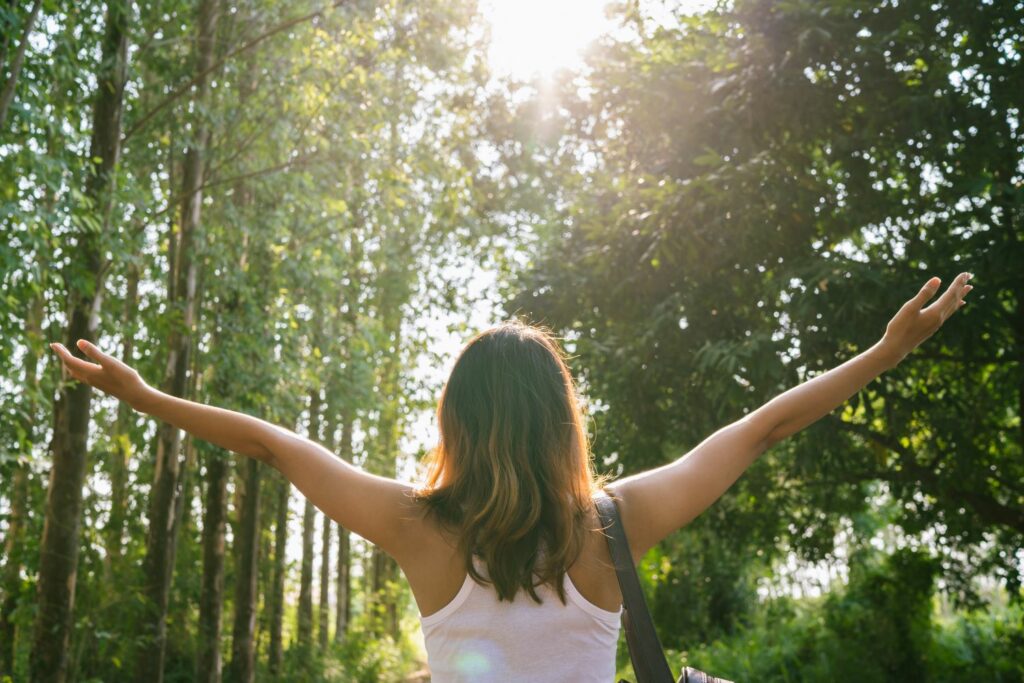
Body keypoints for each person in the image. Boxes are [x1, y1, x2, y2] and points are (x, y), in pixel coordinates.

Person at [51, 272, 973, 682]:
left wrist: (144, 394)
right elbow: (763, 427)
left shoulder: (418, 527)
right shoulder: (614, 523)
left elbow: (274, 445)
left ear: (456, 418)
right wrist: (885, 351)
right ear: (560, 418)